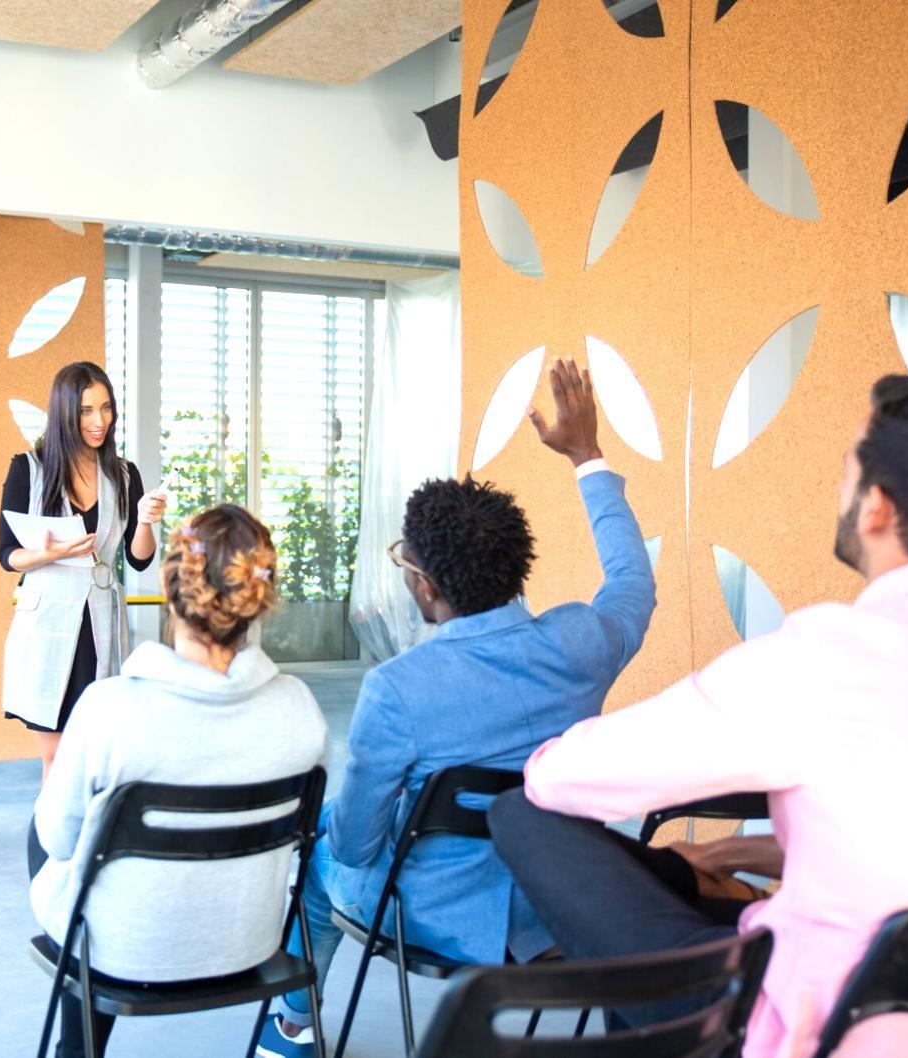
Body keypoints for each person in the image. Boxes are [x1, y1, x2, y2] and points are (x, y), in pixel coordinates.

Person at [489, 376, 908, 1058]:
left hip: (817, 1026)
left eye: (847, 473)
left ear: (878, 508)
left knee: (521, 813)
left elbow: (557, 781)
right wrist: (728, 853)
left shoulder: (819, 658)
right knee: (706, 911)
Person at [257, 359, 656, 1058]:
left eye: (406, 566)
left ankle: (291, 1027)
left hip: (435, 921)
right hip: (551, 912)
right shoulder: (582, 643)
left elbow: (357, 846)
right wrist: (587, 456)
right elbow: (632, 581)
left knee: (322, 843)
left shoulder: (398, 689)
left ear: (428, 587)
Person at [28, 505, 329, 1058]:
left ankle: (80, 1048)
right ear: (259, 596)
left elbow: (58, 839)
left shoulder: (109, 708)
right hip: (250, 944)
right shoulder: (299, 710)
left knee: (44, 826)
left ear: (170, 590)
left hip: (124, 949)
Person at [0, 361, 166, 778]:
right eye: (87, 411)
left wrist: (145, 520)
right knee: (55, 754)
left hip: (102, 623)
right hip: (50, 623)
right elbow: (7, 555)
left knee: (100, 752)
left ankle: (93, 838)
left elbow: (139, 558)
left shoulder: (124, 475)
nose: (99, 421)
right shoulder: (28, 469)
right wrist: (49, 554)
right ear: (64, 414)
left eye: (106, 409)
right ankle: (57, 841)